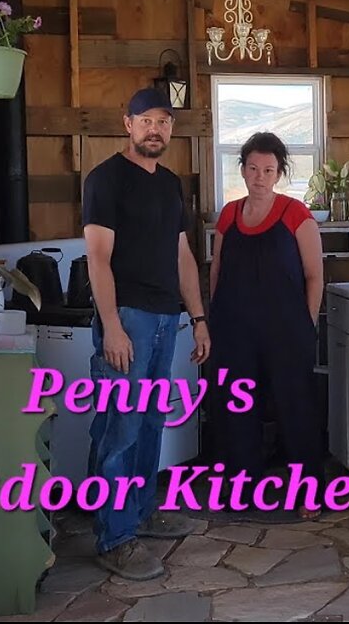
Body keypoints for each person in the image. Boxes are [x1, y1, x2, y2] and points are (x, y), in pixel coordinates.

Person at [81, 87, 211, 580]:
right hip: (128, 320)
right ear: (127, 123)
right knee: (120, 428)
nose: (156, 128)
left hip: (165, 320)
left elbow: (181, 254)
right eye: (146, 120)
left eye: (164, 121)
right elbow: (97, 258)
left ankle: (137, 512)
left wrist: (197, 317)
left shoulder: (171, 184)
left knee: (151, 423)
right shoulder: (105, 180)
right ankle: (114, 537)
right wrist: (111, 326)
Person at [207, 132, 326, 521]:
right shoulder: (229, 214)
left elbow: (315, 277)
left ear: (279, 173)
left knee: (295, 411)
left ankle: (307, 493)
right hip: (235, 331)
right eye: (253, 168)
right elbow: (218, 270)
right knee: (237, 410)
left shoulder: (296, 214)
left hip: (286, 332)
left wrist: (305, 325)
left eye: (268, 170)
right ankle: (242, 490)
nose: (259, 176)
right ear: (242, 170)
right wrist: (213, 318)